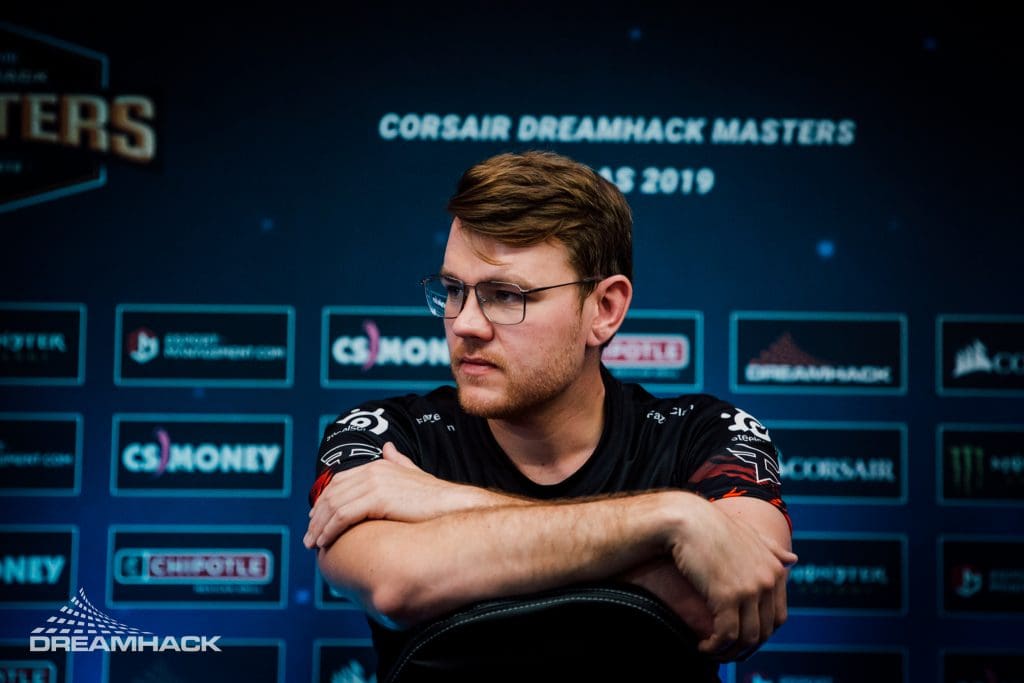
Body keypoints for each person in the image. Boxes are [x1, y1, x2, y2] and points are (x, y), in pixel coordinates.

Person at [304, 150, 795, 680]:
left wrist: (445, 501)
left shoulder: (705, 434)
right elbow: (396, 584)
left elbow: (721, 607)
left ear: (604, 309)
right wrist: (668, 522)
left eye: (505, 295)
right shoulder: (387, 436)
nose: (465, 324)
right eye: (453, 291)